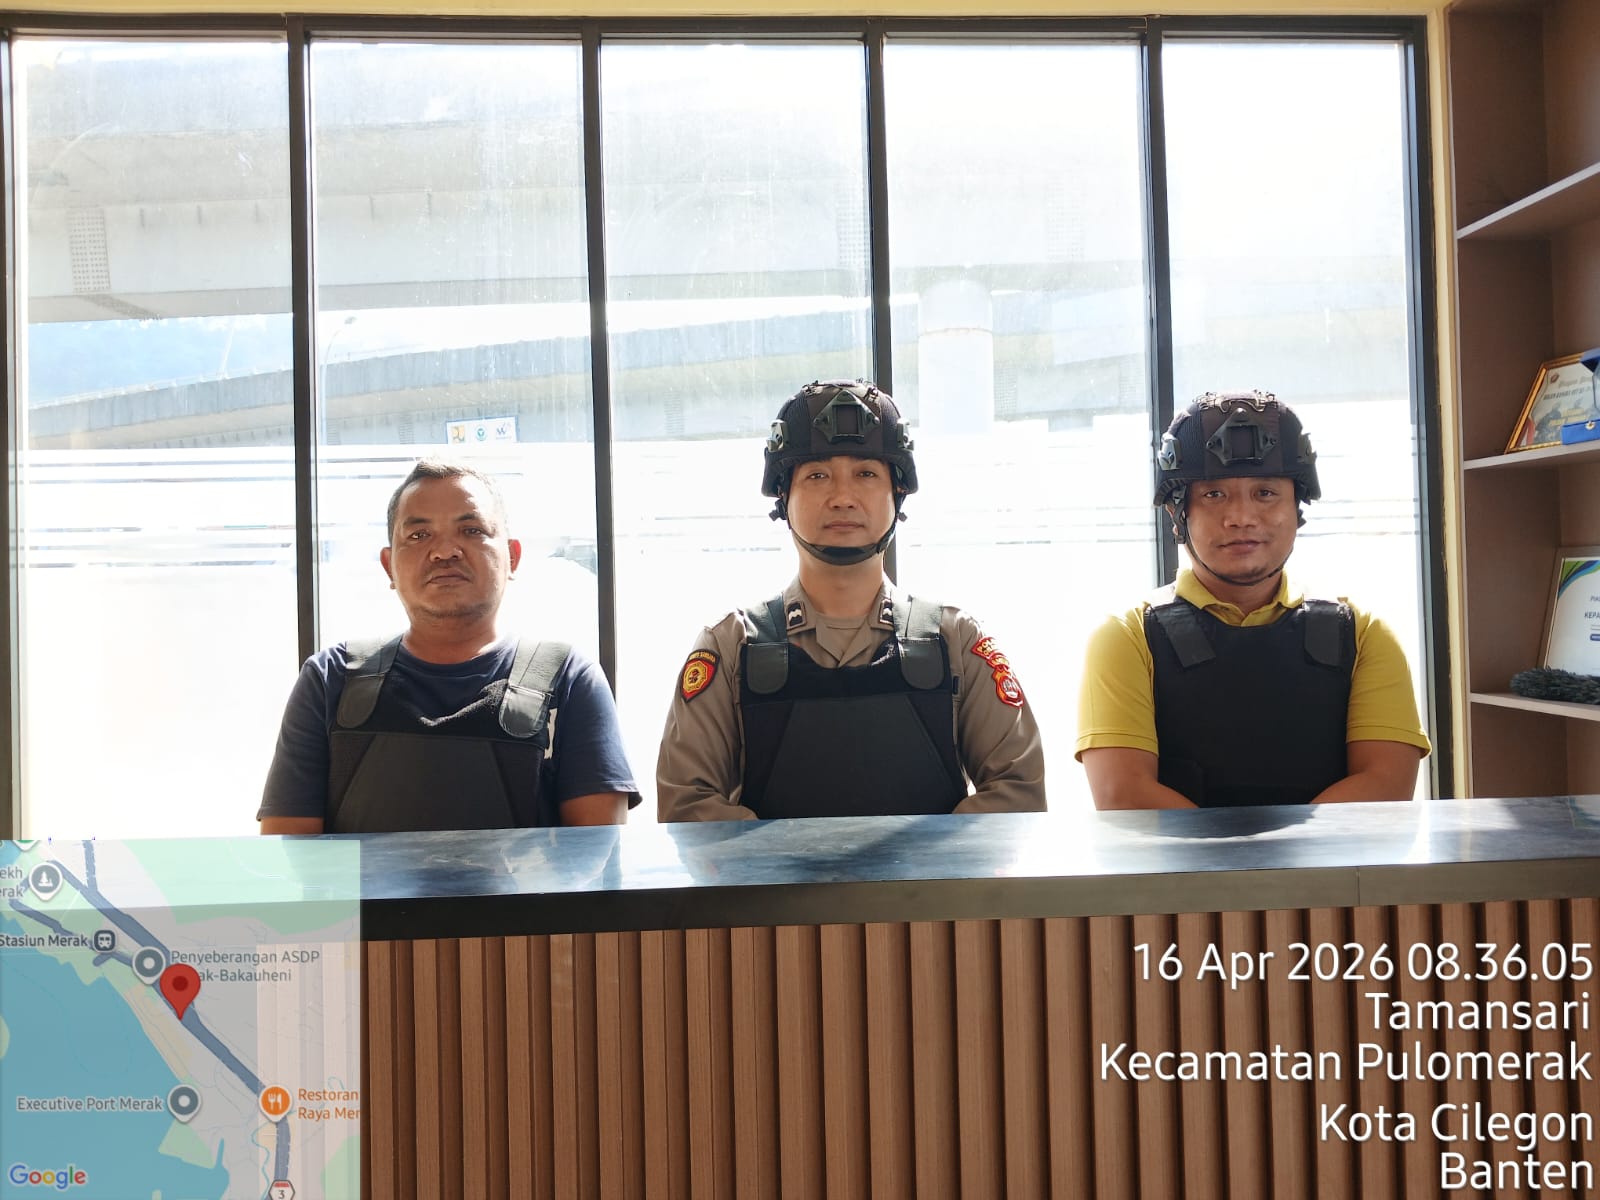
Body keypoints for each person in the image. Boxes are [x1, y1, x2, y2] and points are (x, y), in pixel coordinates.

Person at [657, 379, 1046, 820]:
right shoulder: (732, 646)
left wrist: (924, 857)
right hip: (773, 874)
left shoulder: (955, 640)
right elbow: (687, 807)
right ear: (784, 496)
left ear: (898, 493)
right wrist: (791, 859)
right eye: (817, 475)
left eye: (866, 474)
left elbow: (1019, 793)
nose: (842, 498)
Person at [1077, 390, 1430, 810]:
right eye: (1213, 495)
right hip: (1186, 863)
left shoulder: (1362, 634)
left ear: (1297, 507)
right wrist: (1250, 856)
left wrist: (1275, 856)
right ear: (1177, 513)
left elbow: (1386, 784)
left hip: (1330, 859)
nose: (1241, 518)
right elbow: (1122, 793)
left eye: (1265, 493)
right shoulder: (1128, 637)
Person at [259, 459, 638, 834]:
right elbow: (290, 856)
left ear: (512, 557)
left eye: (472, 530)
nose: (444, 551)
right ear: (389, 566)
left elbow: (598, 858)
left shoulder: (568, 678)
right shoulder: (332, 678)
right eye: (418, 535)